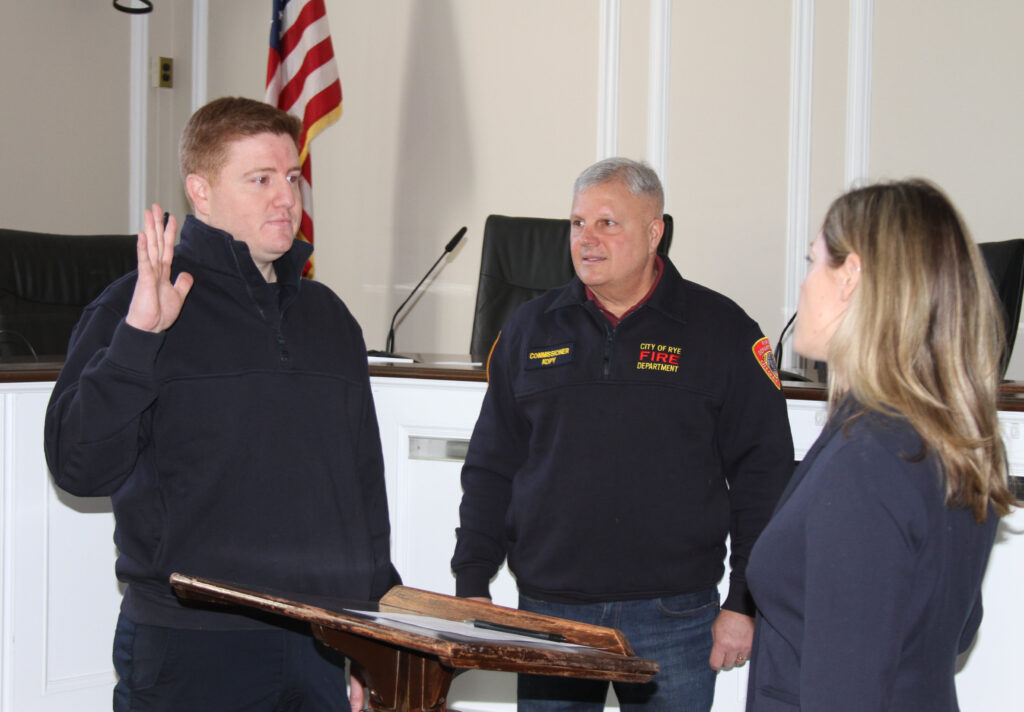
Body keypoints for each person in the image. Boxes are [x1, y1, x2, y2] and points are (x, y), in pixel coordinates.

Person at [44, 97, 399, 712]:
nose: (286, 198)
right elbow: (79, 467)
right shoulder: (135, 305)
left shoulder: (329, 318)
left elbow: (361, 487)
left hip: (318, 640)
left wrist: (372, 639)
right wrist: (139, 339)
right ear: (200, 193)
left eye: (291, 178)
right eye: (259, 180)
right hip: (189, 647)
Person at [451, 157, 795, 712]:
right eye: (577, 223)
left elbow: (765, 474)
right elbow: (493, 463)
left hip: (676, 615)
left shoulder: (722, 331)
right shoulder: (529, 327)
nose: (586, 239)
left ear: (655, 231)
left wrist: (745, 601)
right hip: (550, 612)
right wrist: (472, 582)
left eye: (608, 223)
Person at [744, 179, 1017, 711]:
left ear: (851, 277)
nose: (802, 286)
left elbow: (846, 692)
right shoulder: (942, 436)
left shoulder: (869, 458)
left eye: (812, 262)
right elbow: (952, 631)